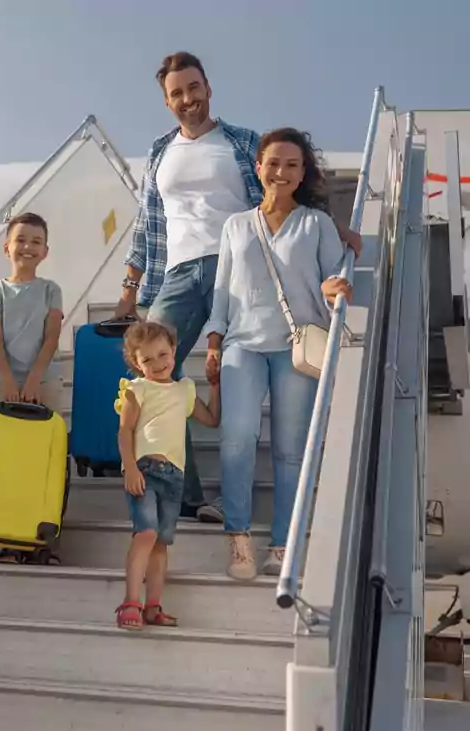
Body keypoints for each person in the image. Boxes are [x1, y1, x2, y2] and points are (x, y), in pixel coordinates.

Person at [113, 50, 362, 527]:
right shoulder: (158, 153)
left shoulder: (244, 141)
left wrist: (335, 226)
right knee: (149, 380)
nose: (187, 99)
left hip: (243, 271)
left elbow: (286, 188)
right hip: (180, 274)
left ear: (208, 88)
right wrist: (130, 287)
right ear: (167, 102)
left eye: (194, 87)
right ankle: (184, 492)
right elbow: (147, 225)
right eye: (176, 93)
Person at [202, 127, 353, 580]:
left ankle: (283, 544)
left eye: (291, 164)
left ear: (303, 171)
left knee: (290, 452)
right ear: (258, 166)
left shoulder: (317, 223)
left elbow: (332, 278)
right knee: (236, 441)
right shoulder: (235, 225)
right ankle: (239, 540)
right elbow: (223, 291)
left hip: (297, 348)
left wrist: (334, 287)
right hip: (241, 346)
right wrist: (213, 342)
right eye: (273, 162)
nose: (281, 171)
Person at [114, 320, 220, 630]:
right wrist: (130, 468)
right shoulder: (137, 389)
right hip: (144, 471)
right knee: (145, 534)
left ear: (174, 351)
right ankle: (130, 602)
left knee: (161, 543)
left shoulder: (184, 389)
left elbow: (212, 420)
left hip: (175, 477)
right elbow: (125, 431)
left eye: (163, 354)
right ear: (136, 363)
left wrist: (215, 385)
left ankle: (153, 606)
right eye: (147, 359)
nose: (158, 363)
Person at [0, 211, 64, 565]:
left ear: (45, 251)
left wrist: (34, 378)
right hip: (7, 385)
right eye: (21, 240)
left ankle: (44, 540)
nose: (28, 247)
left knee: (45, 463)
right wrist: (10, 380)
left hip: (44, 381)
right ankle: (10, 538)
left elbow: (52, 336)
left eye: (36, 241)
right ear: (6, 247)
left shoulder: (50, 290)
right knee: (10, 462)